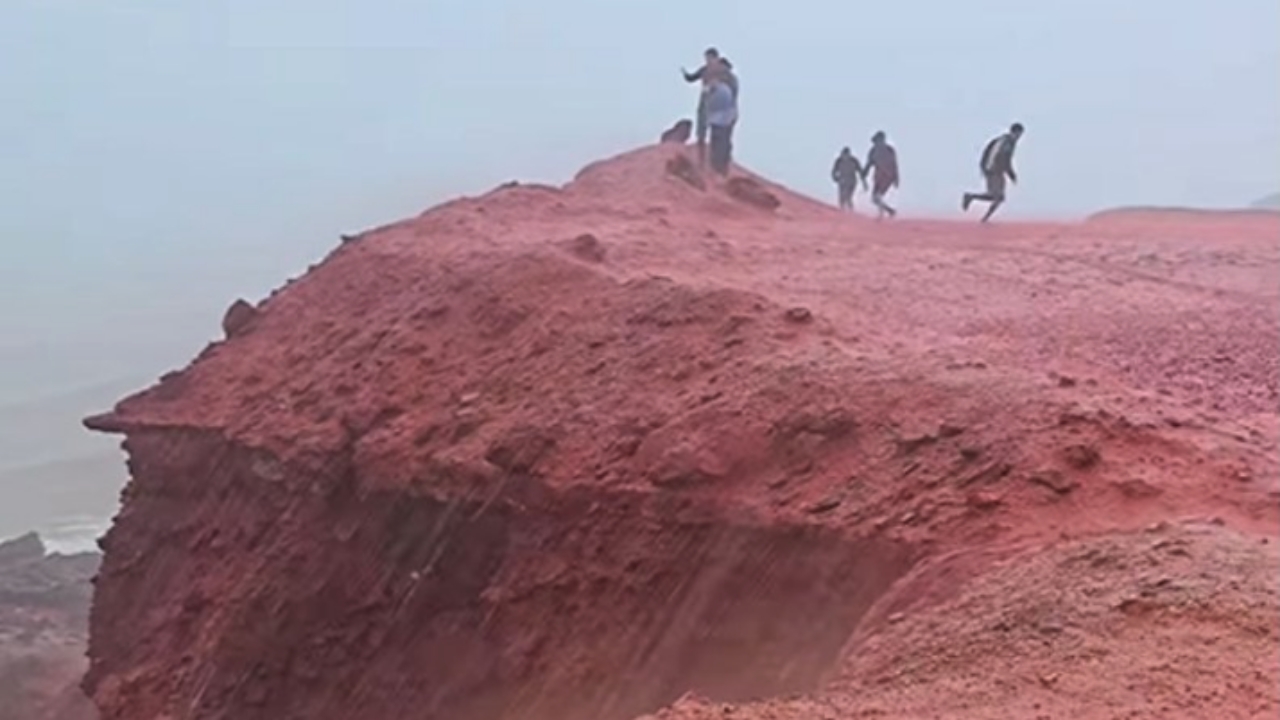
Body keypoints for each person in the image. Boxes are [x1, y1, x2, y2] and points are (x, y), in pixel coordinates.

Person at [963, 123, 1025, 222]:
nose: (1019, 137)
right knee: (998, 197)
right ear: (1015, 132)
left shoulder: (1008, 142)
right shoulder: (1006, 142)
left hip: (997, 170)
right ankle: (982, 216)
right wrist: (1009, 173)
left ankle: (973, 200)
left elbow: (1004, 159)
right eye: (1019, 134)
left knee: (998, 197)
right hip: (993, 170)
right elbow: (1000, 157)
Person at [683, 48, 723, 165]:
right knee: (702, 122)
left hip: (718, 99)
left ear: (716, 58)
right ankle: (701, 148)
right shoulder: (704, 70)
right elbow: (692, 78)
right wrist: (686, 75)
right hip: (705, 97)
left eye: (710, 58)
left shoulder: (722, 70)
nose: (707, 61)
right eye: (706, 58)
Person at [705, 76, 738, 176]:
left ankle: (719, 169)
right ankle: (718, 168)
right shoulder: (721, 90)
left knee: (720, 145)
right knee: (719, 144)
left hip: (722, 121)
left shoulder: (722, 91)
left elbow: (714, 106)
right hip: (722, 120)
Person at [864, 131, 899, 219]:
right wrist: (864, 173)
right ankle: (888, 211)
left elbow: (894, 164)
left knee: (877, 197)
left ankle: (884, 213)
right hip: (879, 176)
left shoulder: (889, 150)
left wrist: (896, 178)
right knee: (875, 198)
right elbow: (869, 163)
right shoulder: (873, 151)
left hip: (887, 177)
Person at [830, 147, 866, 212]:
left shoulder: (854, 161)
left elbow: (860, 172)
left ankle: (851, 211)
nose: (845, 156)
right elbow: (834, 171)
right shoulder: (839, 161)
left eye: (847, 154)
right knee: (842, 197)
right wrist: (835, 178)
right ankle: (842, 210)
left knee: (848, 197)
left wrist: (864, 183)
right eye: (844, 154)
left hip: (852, 181)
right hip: (842, 181)